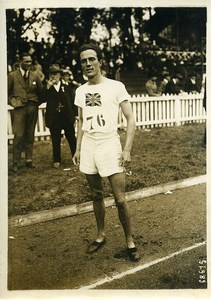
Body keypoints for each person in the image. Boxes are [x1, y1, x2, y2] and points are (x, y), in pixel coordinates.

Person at [72, 43, 140, 262]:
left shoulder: (116, 86)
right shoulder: (80, 91)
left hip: (110, 143)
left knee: (120, 200)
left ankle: (130, 240)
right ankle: (101, 235)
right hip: (90, 144)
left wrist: (127, 149)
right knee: (96, 195)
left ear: (99, 61)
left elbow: (130, 119)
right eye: (84, 61)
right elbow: (81, 121)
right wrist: (78, 148)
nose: (88, 64)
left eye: (91, 59)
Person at [8, 52, 43, 172]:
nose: (29, 64)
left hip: (32, 108)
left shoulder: (35, 75)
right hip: (19, 109)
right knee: (18, 135)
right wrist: (13, 102)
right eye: (26, 61)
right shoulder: (12, 76)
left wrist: (35, 103)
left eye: (30, 61)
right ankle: (15, 162)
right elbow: (6, 93)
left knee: (30, 134)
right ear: (20, 62)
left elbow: (41, 92)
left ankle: (29, 160)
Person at [42, 64, 77, 168]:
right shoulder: (48, 88)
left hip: (66, 117)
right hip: (54, 119)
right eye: (52, 74)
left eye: (56, 74)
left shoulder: (66, 88)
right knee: (56, 139)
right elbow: (42, 99)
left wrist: (75, 116)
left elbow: (72, 101)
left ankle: (76, 157)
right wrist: (47, 88)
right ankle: (57, 160)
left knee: (71, 138)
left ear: (60, 75)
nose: (54, 76)